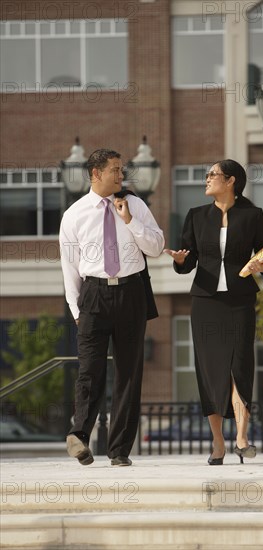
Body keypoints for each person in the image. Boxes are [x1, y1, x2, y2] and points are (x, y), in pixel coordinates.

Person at [164, 159, 263, 465]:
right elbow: (186, 265)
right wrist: (180, 258)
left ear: (231, 181)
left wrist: (262, 264)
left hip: (240, 302)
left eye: (213, 175)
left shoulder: (252, 215)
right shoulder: (196, 216)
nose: (207, 179)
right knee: (211, 372)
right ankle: (218, 443)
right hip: (205, 302)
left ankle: (241, 437)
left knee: (239, 365)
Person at [59, 148, 164, 466]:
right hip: (93, 296)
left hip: (131, 293)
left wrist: (129, 220)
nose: (122, 176)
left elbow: (156, 247)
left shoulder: (135, 204)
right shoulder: (74, 214)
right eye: (116, 170)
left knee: (129, 374)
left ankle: (119, 450)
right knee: (90, 370)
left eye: (122, 170)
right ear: (96, 174)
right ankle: (79, 436)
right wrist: (76, 310)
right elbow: (70, 267)